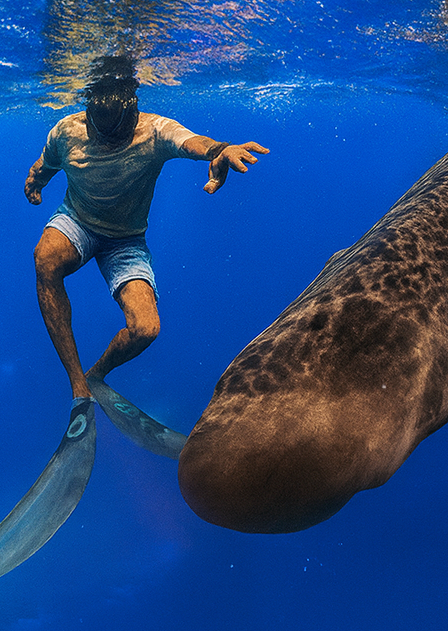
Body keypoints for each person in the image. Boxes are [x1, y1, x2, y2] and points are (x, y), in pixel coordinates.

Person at [25, 58, 269, 401]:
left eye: (117, 137)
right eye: (102, 135)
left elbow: (192, 142)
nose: (109, 145)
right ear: (89, 116)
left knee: (146, 329)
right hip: (77, 220)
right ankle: (77, 383)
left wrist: (220, 149)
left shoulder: (155, 130)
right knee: (45, 258)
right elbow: (46, 163)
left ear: (133, 116)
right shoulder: (66, 131)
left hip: (125, 240)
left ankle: (96, 375)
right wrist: (35, 182)